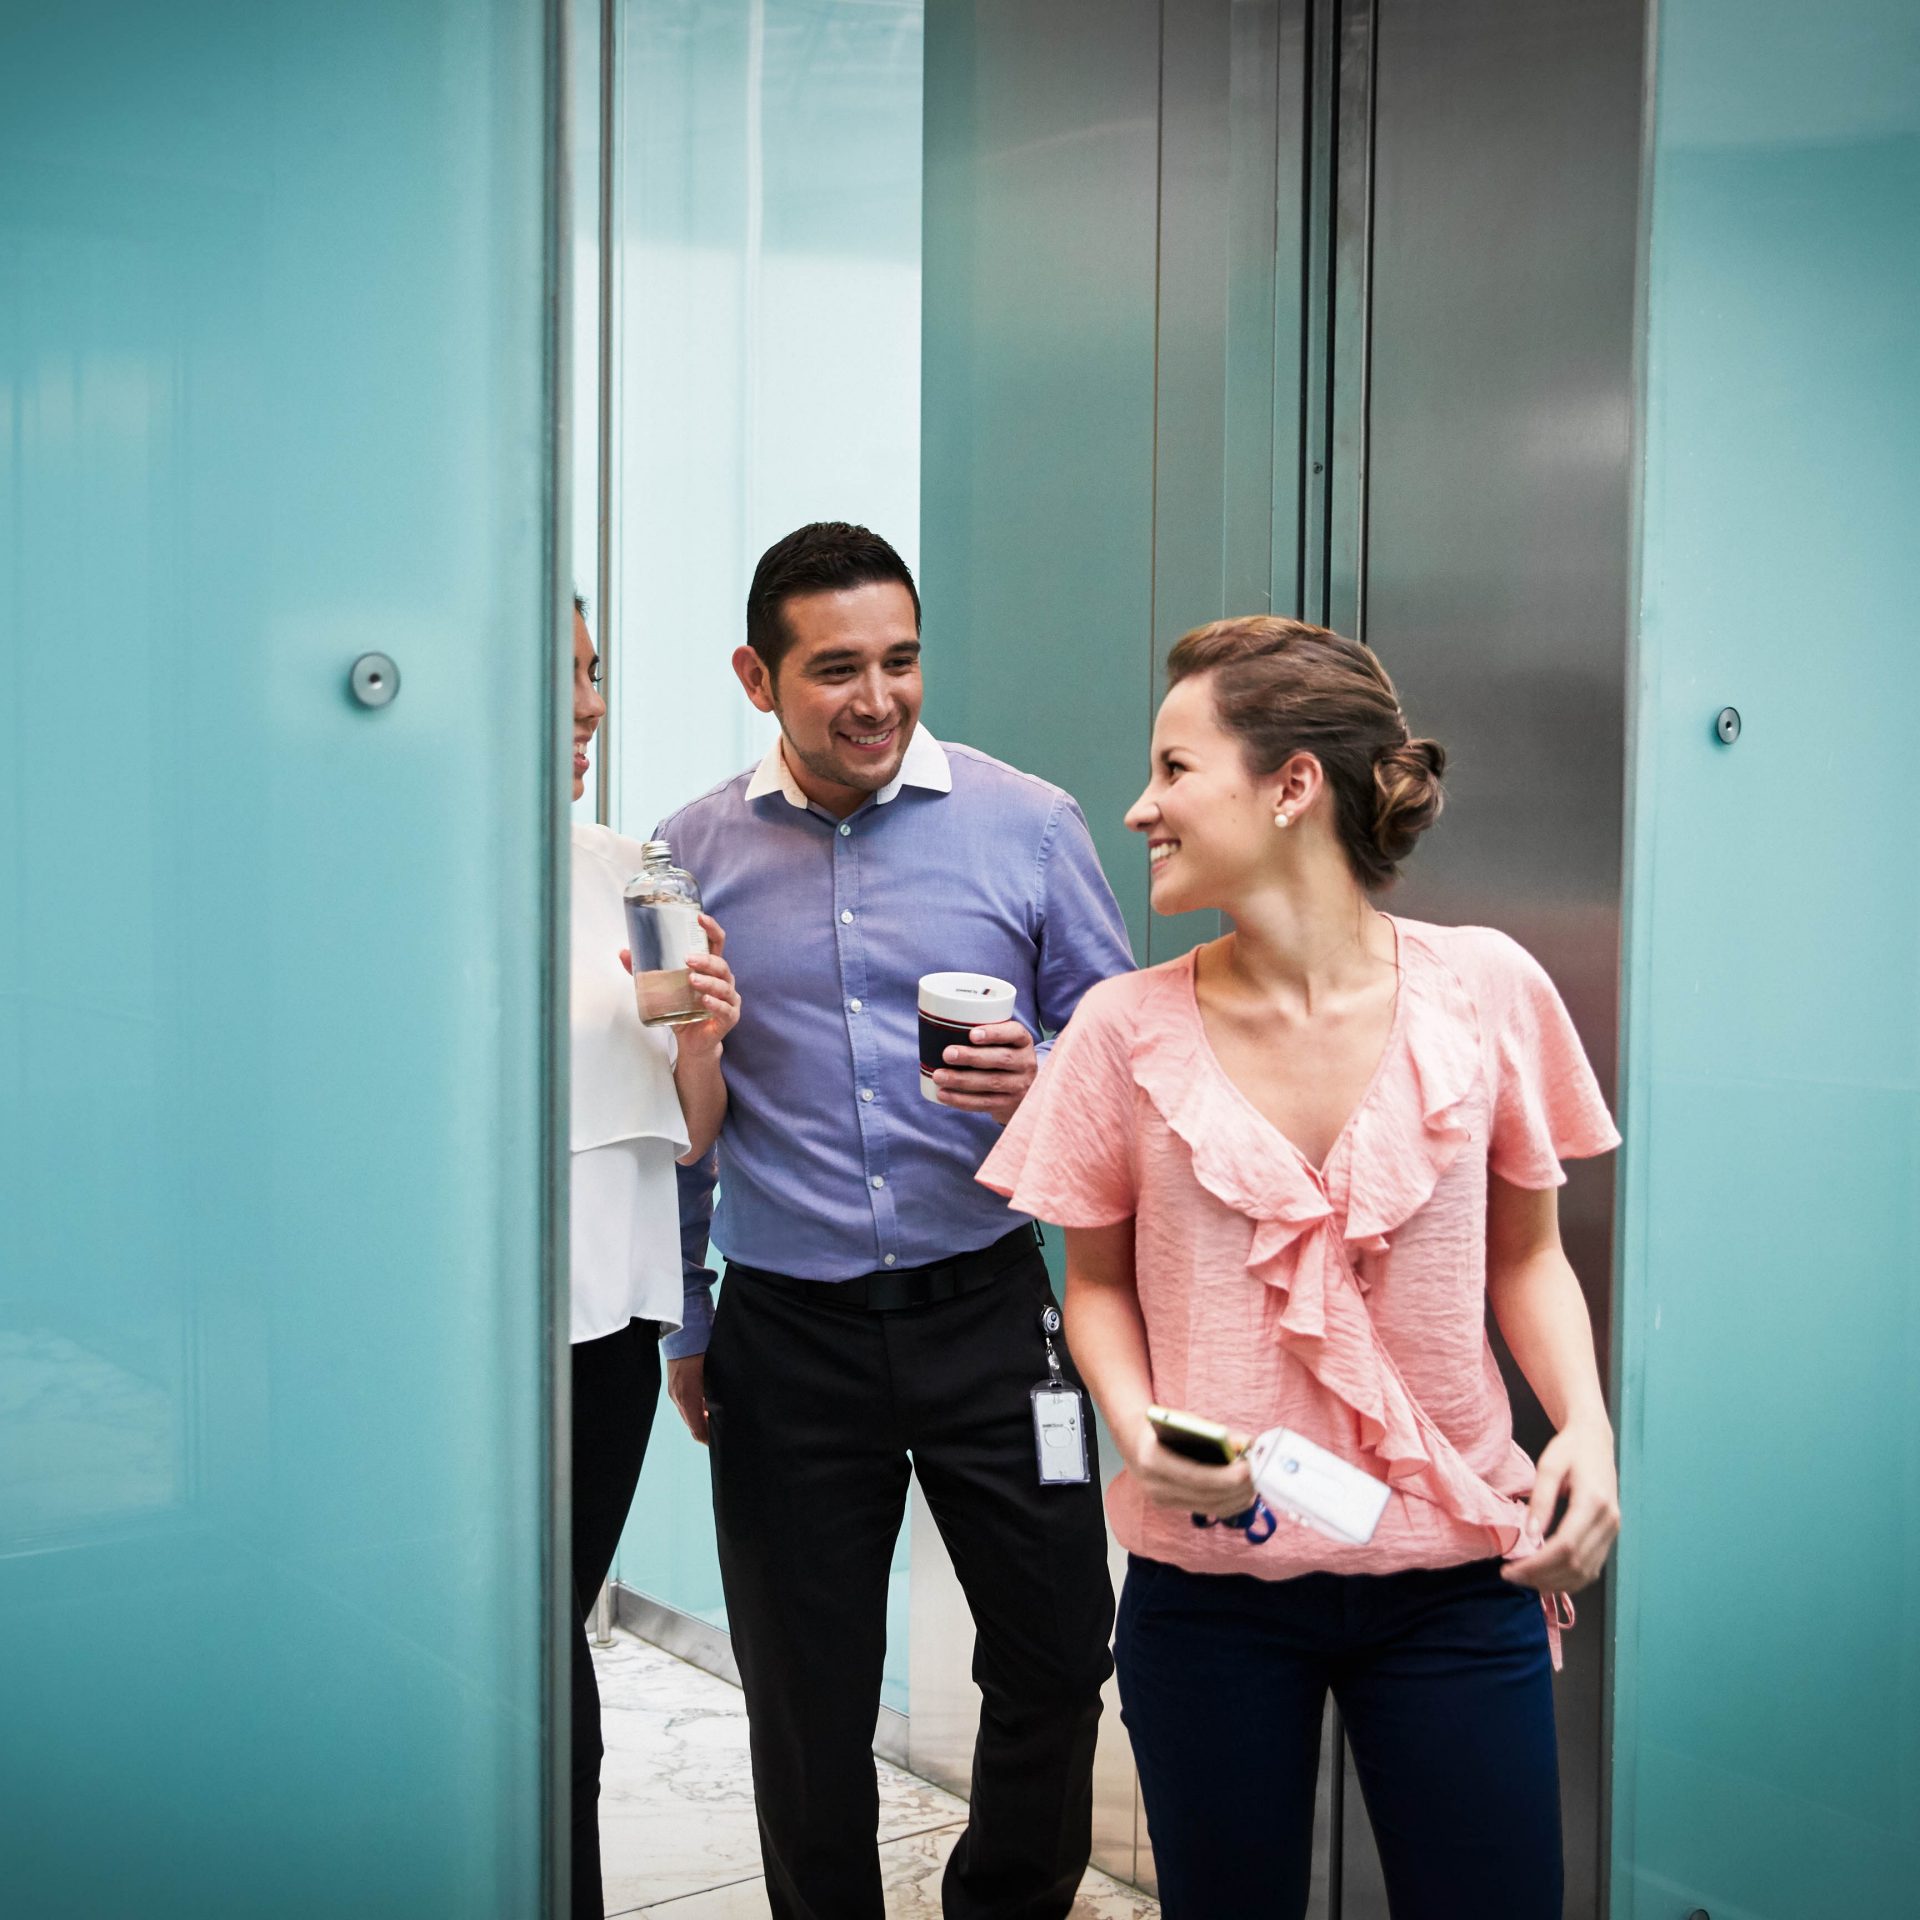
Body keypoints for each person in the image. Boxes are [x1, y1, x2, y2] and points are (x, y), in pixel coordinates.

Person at [978, 616, 1622, 1920]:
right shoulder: (1119, 1032)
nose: (1139, 805)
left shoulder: (1490, 990)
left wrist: (1589, 1435)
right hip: (1212, 1591)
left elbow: (1531, 1258)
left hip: (1457, 1580)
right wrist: (1133, 1421)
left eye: (1173, 769)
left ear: (1291, 787)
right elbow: (1092, 1282)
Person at [656, 523, 1135, 1920]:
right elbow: (681, 1112)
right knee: (804, 1697)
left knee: (1058, 1646)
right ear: (759, 675)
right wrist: (691, 1317)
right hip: (787, 1335)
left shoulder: (1028, 824)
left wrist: (1040, 1084)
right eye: (837, 670)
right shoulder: (686, 858)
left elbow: (1126, 1071)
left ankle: (1005, 1899)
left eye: (903, 660)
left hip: (995, 1312)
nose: (878, 699)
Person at [566, 594, 739, 1919]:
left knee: (547, 1629)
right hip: (467, 1327)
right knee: (511, 1648)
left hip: (615, 1315)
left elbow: (694, 1132)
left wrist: (700, 1035)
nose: (586, 708)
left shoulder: (631, 868)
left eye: (594, 674)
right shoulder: (400, 874)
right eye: (557, 676)